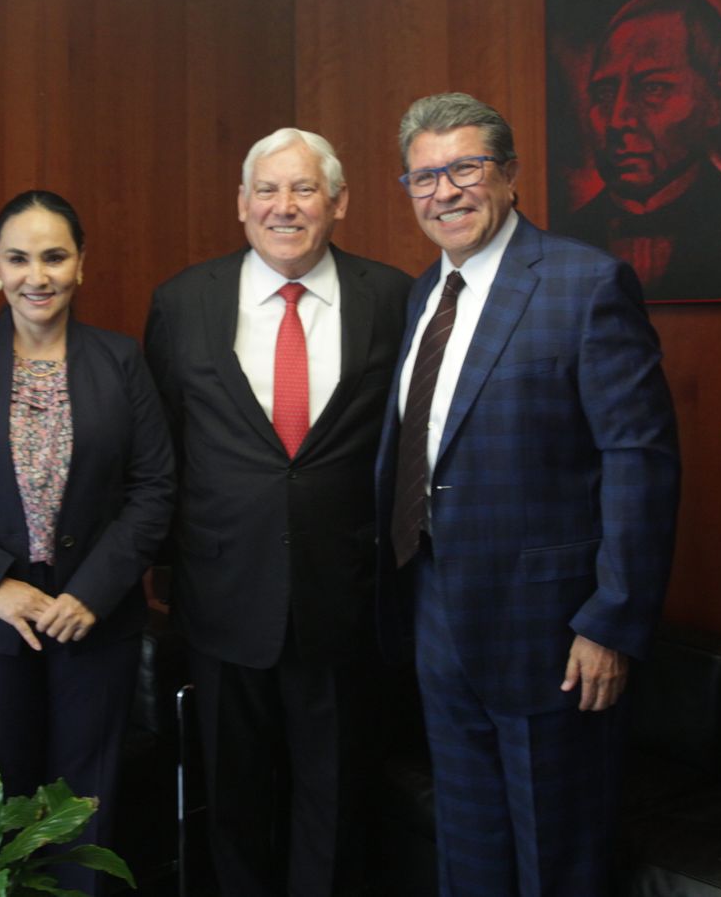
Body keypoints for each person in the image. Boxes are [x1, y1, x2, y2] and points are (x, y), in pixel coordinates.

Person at [376, 94, 680, 896]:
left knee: (557, 858)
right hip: (436, 608)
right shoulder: (423, 295)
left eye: (465, 168)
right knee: (468, 846)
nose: (444, 191)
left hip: (553, 630)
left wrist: (611, 619)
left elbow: (640, 460)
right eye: (424, 176)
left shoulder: (585, 283)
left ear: (509, 174)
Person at [144, 128, 412, 897]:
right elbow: (162, 445)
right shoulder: (183, 301)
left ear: (339, 202)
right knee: (234, 800)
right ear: (241, 203)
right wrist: (160, 562)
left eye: (303, 189)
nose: (283, 206)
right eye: (267, 189)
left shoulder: (395, 297)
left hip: (346, 595)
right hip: (222, 594)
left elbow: (411, 440)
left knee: (336, 800)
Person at [0, 190, 174, 896]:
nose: (36, 276)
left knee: (85, 808)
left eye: (54, 257)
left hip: (92, 620)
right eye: (18, 258)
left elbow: (155, 487)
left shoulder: (120, 359)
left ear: (81, 265)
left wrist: (92, 592)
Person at [562, 0, 721, 301]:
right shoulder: (563, 239)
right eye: (605, 93)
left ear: (718, 95)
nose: (617, 120)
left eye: (653, 89)